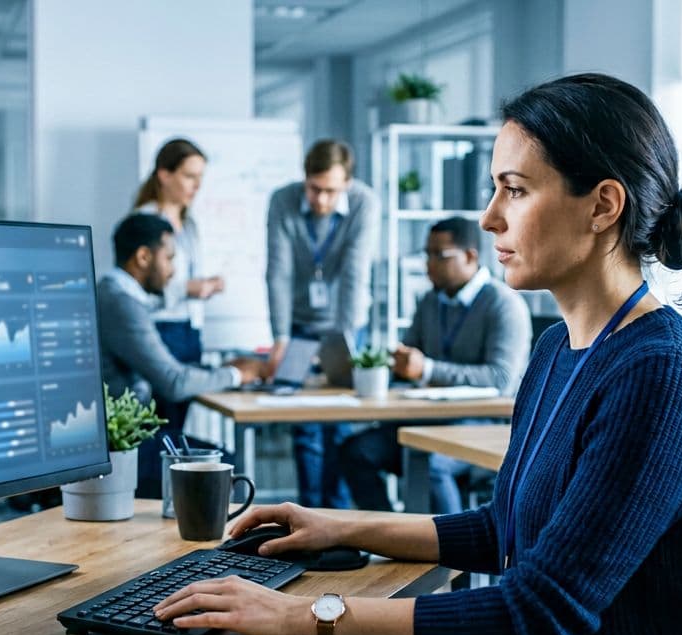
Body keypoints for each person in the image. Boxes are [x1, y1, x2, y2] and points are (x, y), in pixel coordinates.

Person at [154, 73, 682, 635]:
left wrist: (303, 616)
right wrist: (339, 524)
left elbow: (532, 613)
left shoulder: (658, 375)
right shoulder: (560, 347)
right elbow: (505, 527)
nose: (491, 217)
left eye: (515, 190)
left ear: (603, 205)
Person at [339, 216, 531, 516]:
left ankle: (454, 559)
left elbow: (501, 378)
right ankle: (393, 535)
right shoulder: (430, 301)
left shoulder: (503, 304)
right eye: (426, 254)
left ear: (470, 257)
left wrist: (426, 369)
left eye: (438, 256)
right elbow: (410, 359)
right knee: (355, 450)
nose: (428, 264)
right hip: (426, 420)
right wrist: (386, 366)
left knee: (430, 462)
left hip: (481, 425)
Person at [265, 139, 379, 509]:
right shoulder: (283, 201)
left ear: (347, 183)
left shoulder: (364, 203)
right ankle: (308, 513)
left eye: (331, 191)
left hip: (345, 324)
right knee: (306, 426)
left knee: (340, 423)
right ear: (304, 179)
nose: (321, 201)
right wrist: (280, 336)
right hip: (298, 322)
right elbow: (278, 273)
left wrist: (342, 344)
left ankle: (339, 519)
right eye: (314, 189)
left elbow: (354, 274)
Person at [98, 212, 264, 407]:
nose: (173, 270)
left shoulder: (111, 291)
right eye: (168, 258)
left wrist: (216, 370)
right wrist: (237, 375)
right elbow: (174, 383)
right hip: (128, 431)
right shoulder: (121, 304)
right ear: (143, 257)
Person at [133, 138, 225, 368]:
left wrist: (206, 284)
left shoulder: (190, 223)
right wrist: (186, 288)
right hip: (159, 328)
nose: (197, 185)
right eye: (189, 176)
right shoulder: (144, 221)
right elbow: (135, 290)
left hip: (190, 328)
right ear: (165, 175)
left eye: (200, 177)